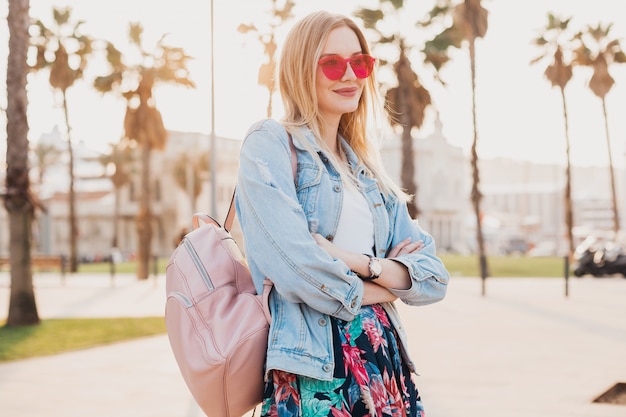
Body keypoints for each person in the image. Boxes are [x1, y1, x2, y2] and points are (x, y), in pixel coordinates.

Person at [235, 10, 450, 417]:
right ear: (301, 69)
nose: (349, 74)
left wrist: (357, 263)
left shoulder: (367, 171)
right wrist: (390, 283)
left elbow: (435, 276)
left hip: (384, 363)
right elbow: (298, 270)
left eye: (360, 62)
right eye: (332, 63)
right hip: (316, 368)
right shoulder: (270, 144)